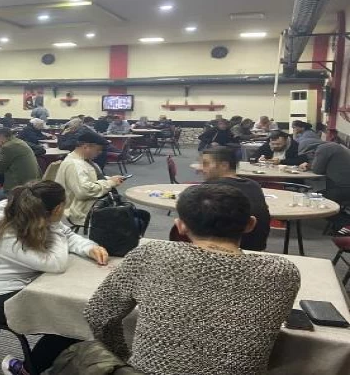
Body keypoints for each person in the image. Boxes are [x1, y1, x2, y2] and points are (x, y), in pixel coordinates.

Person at [82, 184, 300, 375]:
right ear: (251, 224)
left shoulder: (151, 256)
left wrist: (122, 358)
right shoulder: (282, 272)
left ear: (180, 226)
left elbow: (98, 314)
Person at [0, 181, 110, 374]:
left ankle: (56, 361)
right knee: (71, 321)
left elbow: (67, 235)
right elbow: (55, 263)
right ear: (57, 209)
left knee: (75, 315)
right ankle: (26, 370)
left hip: (21, 283)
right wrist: (54, 225)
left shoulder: (33, 214)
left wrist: (89, 247)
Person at [200, 147, 271, 250]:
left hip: (224, 250)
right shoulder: (254, 185)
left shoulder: (210, 187)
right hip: (258, 247)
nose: (201, 169)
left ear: (224, 165)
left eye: (206, 164)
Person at [55, 133, 125, 228]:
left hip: (88, 205)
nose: (99, 153)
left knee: (125, 213)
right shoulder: (74, 165)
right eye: (98, 150)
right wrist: (109, 183)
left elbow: (90, 180)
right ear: (86, 147)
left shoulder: (83, 161)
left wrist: (109, 179)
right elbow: (84, 191)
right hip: (81, 211)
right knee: (124, 218)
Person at [0, 128, 41, 204]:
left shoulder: (7, 147)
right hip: (33, 183)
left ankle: (7, 208)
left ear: (1, 137)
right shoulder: (19, 142)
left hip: (19, 187)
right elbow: (8, 162)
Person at [299, 139, 350, 205]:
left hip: (339, 189)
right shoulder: (335, 146)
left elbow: (317, 170)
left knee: (307, 197)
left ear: (310, 149)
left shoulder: (322, 149)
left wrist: (308, 165)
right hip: (345, 188)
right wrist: (309, 165)